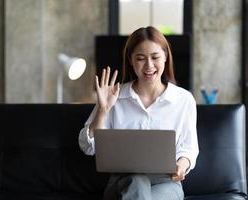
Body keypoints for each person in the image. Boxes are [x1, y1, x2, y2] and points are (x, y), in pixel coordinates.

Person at [78, 26, 199, 200]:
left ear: (165, 56)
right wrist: (103, 111)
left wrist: (181, 165)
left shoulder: (183, 100)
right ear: (131, 60)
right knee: (136, 181)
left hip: (166, 183)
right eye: (141, 58)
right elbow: (88, 147)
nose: (149, 66)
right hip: (122, 182)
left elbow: (189, 149)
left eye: (155, 57)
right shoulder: (114, 97)